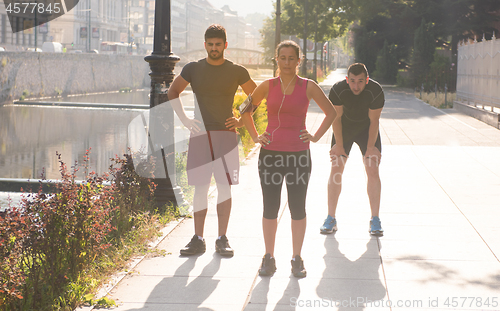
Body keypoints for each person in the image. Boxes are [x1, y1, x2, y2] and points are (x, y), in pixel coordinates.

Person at [241, 40, 335, 278]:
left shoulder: (308, 86)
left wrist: (314, 136)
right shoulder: (267, 86)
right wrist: (254, 136)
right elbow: (245, 110)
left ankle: (296, 258)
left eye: (291, 58)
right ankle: (269, 257)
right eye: (282, 58)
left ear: (298, 61)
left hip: (298, 156)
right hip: (270, 155)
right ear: (277, 60)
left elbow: (331, 112)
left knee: (297, 208)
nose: (286, 62)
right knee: (270, 207)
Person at [167, 24, 257, 257]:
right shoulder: (193, 69)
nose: (214, 48)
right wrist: (186, 119)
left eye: (218, 44)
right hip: (199, 135)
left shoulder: (237, 71)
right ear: (205, 44)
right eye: (210, 44)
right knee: (200, 188)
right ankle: (198, 239)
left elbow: (256, 96)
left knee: (225, 187)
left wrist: (239, 119)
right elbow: (172, 92)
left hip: (226, 136)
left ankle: (222, 238)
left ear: (225, 45)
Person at [320, 63, 385, 236]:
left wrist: (371, 148)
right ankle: (330, 218)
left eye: (361, 81)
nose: (356, 86)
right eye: (353, 81)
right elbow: (336, 119)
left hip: (367, 129)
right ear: (347, 79)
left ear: (367, 80)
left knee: (372, 169)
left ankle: (375, 219)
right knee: (336, 169)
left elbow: (374, 121)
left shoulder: (375, 90)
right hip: (344, 128)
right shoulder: (338, 90)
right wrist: (339, 145)